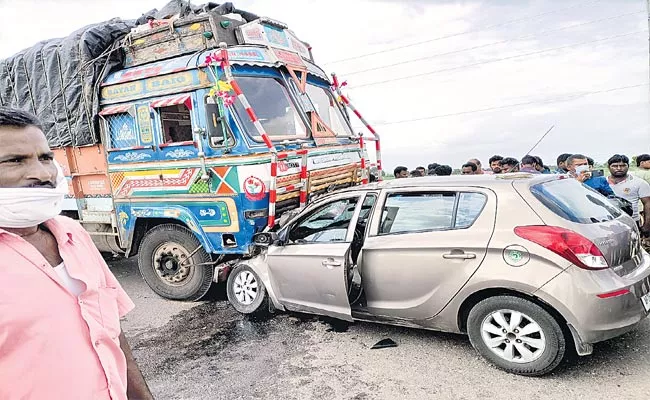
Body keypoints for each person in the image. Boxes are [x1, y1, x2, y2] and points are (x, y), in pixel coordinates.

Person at [0, 108, 153, 400]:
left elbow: (113, 335)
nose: (43, 174)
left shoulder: (73, 234)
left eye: (45, 158)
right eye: (15, 160)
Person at [607, 154, 650, 234]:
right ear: (608, 167)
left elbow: (648, 203)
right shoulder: (602, 182)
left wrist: (647, 225)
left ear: (628, 166)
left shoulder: (639, 183)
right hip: (607, 223)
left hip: (631, 222)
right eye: (615, 166)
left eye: (623, 165)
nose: (619, 168)